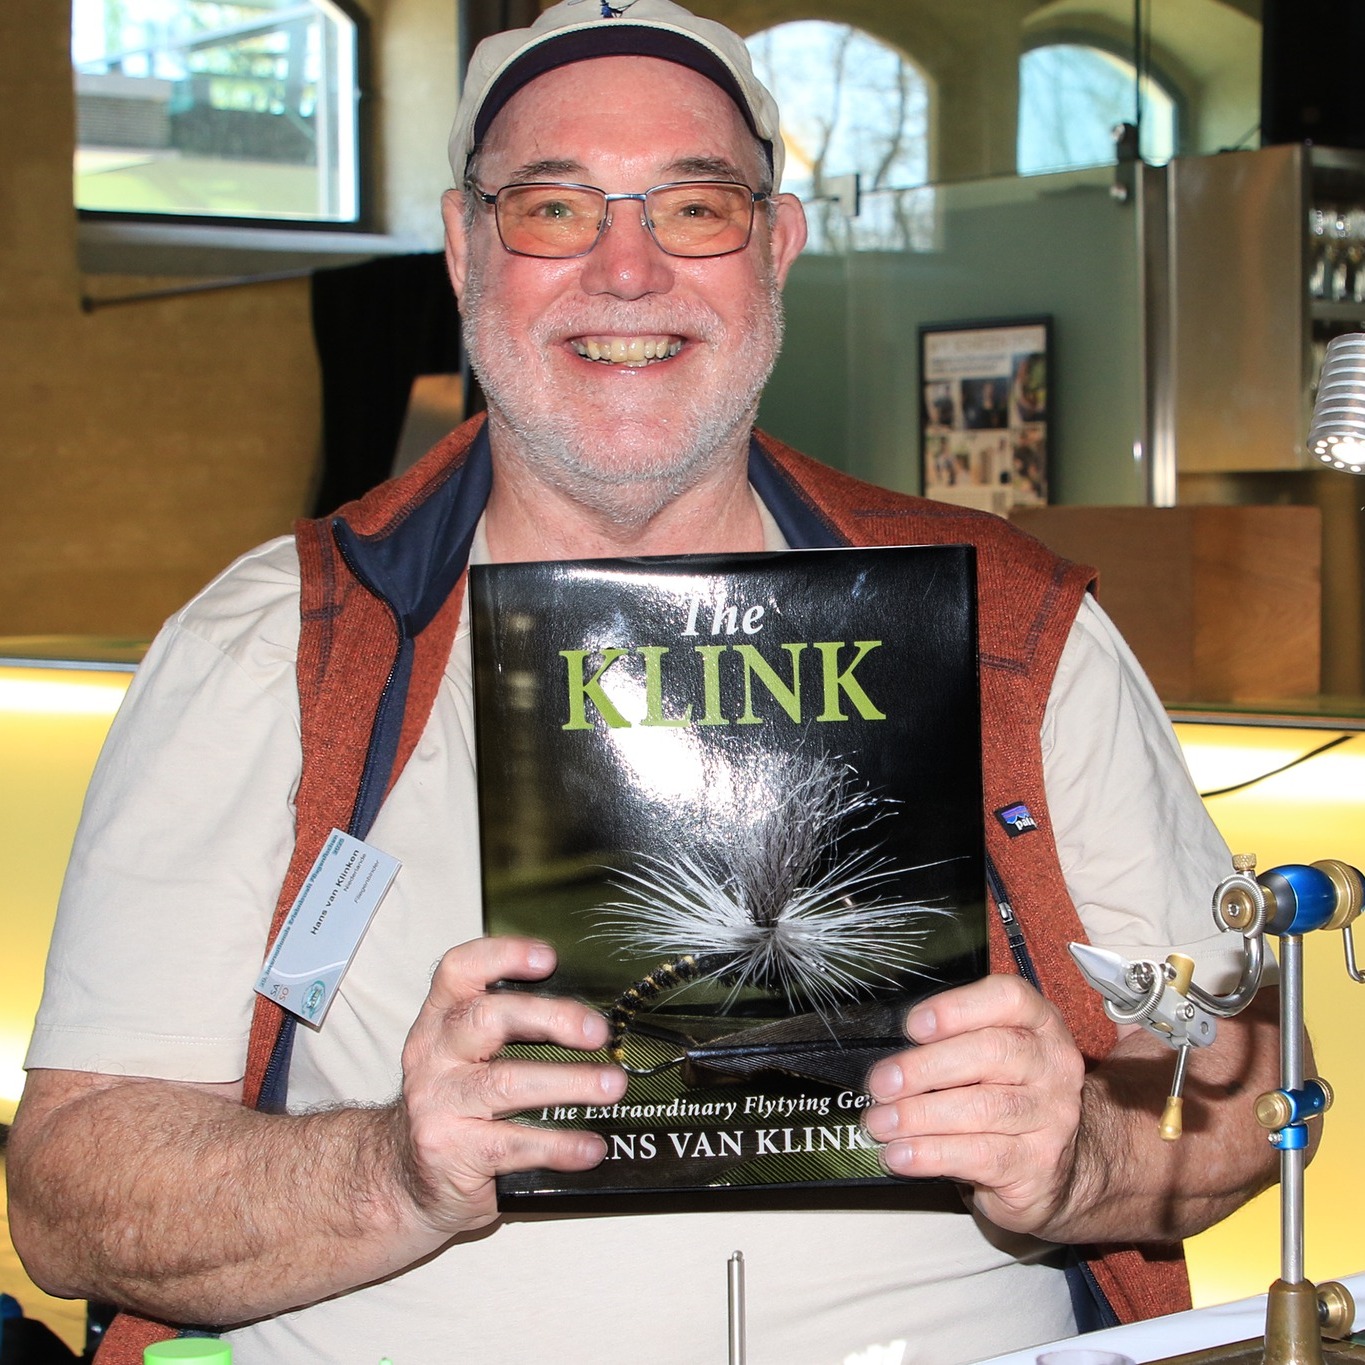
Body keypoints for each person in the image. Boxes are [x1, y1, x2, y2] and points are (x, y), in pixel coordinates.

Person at [7, 3, 1283, 1362]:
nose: (626, 271)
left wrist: (1085, 1159)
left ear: (775, 249)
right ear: (463, 249)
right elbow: (69, 1193)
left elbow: (1254, 1087)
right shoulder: (281, 647)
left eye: (694, 208)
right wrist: (391, 1169)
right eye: (554, 208)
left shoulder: (1008, 625)